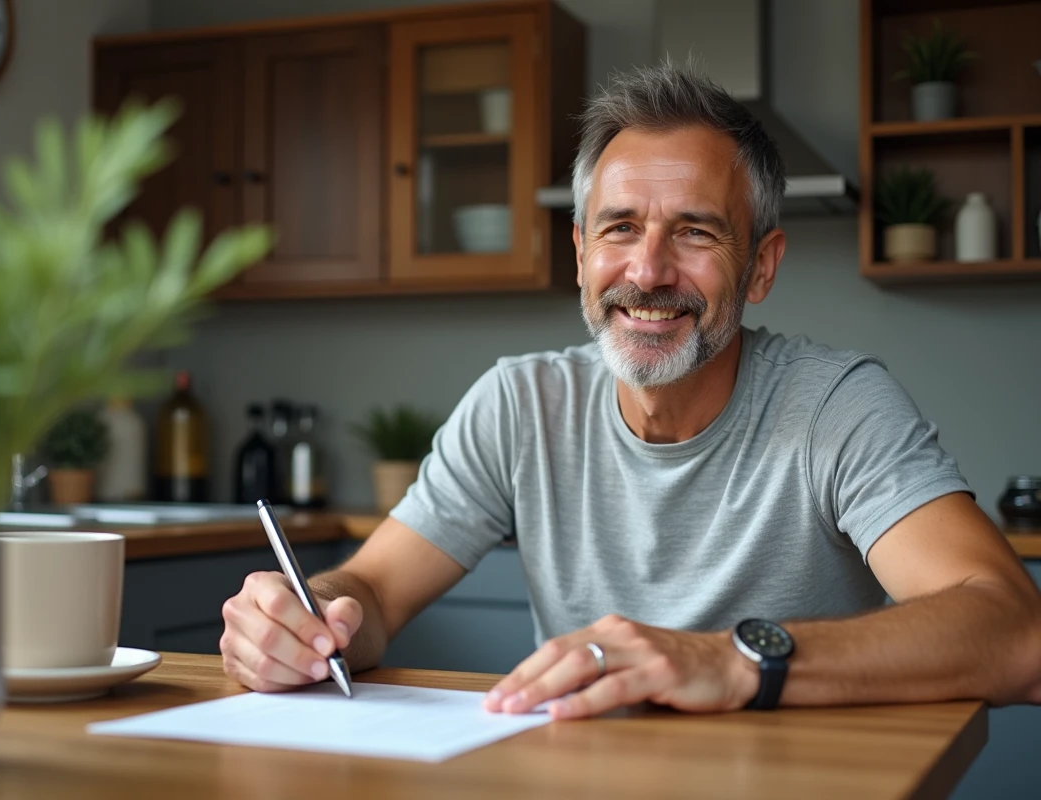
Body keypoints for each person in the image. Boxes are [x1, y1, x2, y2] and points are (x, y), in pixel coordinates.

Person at [220, 63, 1041, 718]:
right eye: (620, 228)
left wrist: (729, 658)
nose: (647, 271)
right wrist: (307, 617)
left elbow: (1016, 630)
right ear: (580, 253)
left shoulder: (838, 407)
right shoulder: (519, 405)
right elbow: (374, 594)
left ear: (760, 266)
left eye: (695, 231)